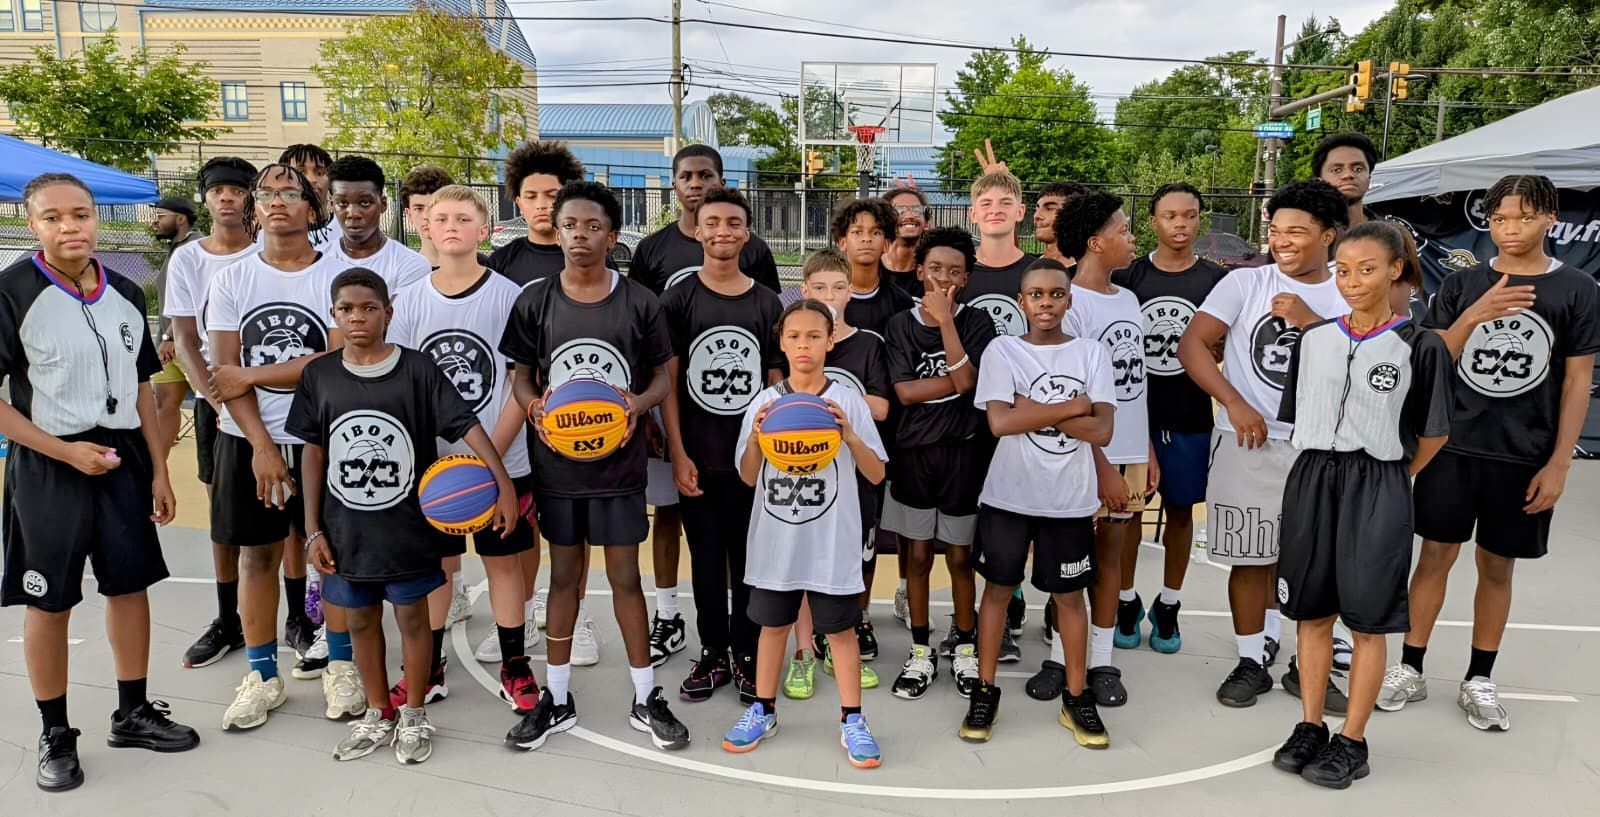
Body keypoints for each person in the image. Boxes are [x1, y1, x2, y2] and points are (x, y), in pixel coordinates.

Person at [0, 173, 200, 792]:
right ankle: (55, 732)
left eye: (81, 214)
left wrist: (160, 468)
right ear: (33, 223)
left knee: (130, 584)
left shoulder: (123, 288)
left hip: (122, 460)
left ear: (97, 218)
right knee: (50, 600)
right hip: (48, 463)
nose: (71, 227)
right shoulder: (12, 292)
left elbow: (144, 386)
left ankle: (132, 710)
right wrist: (63, 451)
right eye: (54, 217)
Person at [1380, 175, 1600, 731]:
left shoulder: (1576, 289)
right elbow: (1431, 357)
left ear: (1550, 218)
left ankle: (1479, 676)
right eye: (1500, 218)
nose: (1509, 229)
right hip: (1453, 445)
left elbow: (1577, 382)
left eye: (1523, 218)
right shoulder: (1462, 284)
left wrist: (1559, 462)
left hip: (1523, 453)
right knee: (1434, 555)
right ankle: (1411, 666)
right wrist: (1476, 313)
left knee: (1497, 566)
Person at [289, 267, 518, 765]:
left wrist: (500, 482)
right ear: (334, 315)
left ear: (388, 313)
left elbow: (465, 426)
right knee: (360, 621)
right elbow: (312, 452)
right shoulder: (319, 375)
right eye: (346, 309)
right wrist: (312, 530)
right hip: (346, 527)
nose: (357, 318)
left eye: (368, 308)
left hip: (409, 524)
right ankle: (378, 711)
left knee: (414, 620)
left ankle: (413, 711)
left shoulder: (417, 370)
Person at [500, 181, 690, 753]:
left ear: (612, 236)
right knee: (562, 579)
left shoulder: (639, 302)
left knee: (626, 578)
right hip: (558, 467)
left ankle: (644, 695)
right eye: (570, 226)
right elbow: (521, 373)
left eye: (592, 227)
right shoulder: (535, 299)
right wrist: (535, 406)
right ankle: (556, 697)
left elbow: (663, 375)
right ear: (555, 231)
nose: (580, 236)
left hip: (620, 467)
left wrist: (635, 403)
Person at [1270, 221, 1452, 789]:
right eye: (1344, 271)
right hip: (1312, 479)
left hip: (1379, 481)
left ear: (1396, 269)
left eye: (1366, 269)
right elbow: (1300, 415)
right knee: (1311, 612)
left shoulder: (1421, 346)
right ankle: (1309, 726)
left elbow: (1434, 434)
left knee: (1369, 621)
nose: (1352, 282)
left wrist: (1394, 476)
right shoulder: (1315, 338)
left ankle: (1352, 738)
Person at [1178, 180, 1351, 709]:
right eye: (1276, 231)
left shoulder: (1351, 289)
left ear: (1329, 234)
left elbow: (1374, 359)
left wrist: (1312, 323)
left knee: (1317, 563)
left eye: (1297, 231)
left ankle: (1307, 662)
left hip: (1323, 448)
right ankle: (1251, 659)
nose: (1283, 241)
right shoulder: (1246, 284)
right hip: (1247, 442)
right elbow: (1192, 346)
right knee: (1250, 559)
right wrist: (1233, 401)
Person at [388, 185, 544, 715]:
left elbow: (521, 385)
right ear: (424, 229)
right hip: (433, 468)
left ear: (485, 230)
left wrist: (490, 463)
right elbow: (404, 387)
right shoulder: (407, 302)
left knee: (503, 567)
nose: (451, 225)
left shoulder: (510, 297)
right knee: (436, 567)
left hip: (504, 461)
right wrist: (432, 464)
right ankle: (428, 668)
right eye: (441, 218)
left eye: (463, 217)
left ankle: (514, 664)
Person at [720, 298, 888, 769]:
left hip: (831, 543)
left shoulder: (847, 399)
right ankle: (763, 710)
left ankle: (853, 719)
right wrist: (755, 438)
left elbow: (876, 475)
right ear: (781, 342)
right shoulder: (766, 402)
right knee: (772, 628)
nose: (803, 345)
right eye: (794, 336)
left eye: (814, 335)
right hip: (777, 542)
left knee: (841, 633)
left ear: (831, 341)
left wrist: (851, 436)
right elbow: (749, 477)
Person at [206, 163, 346, 730]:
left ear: (313, 209)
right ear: (253, 208)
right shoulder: (232, 280)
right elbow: (223, 373)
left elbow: (335, 362)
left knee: (332, 555)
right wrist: (261, 444)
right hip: (248, 439)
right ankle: (263, 675)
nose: (278, 201)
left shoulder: (337, 276)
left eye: (292, 192)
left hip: (320, 439)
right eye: (267, 193)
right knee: (257, 557)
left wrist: (257, 376)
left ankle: (341, 665)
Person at [961, 257, 1114, 747]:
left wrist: (1033, 410)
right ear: (1021, 301)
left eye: (1056, 294)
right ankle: (985, 691)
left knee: (1069, 598)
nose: (1046, 303)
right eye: (1036, 295)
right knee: (998, 593)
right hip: (1009, 495)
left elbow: (1103, 429)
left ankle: (1075, 696)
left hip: (1069, 500)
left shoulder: (1092, 353)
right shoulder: (1003, 351)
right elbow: (1000, 423)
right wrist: (1074, 406)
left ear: (1069, 299)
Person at [659, 186, 783, 702]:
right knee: (706, 561)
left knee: (751, 562)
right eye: (713, 223)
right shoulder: (679, 299)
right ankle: (712, 653)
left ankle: (748, 654)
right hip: (700, 457)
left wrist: (777, 450)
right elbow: (667, 379)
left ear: (746, 233)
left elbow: (777, 381)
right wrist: (679, 451)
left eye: (733, 223)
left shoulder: (766, 300)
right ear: (698, 231)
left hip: (752, 460)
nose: (723, 232)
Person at [1108, 183, 1227, 655]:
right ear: (1153, 222)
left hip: (1190, 415)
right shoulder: (1129, 277)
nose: (1180, 224)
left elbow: (1225, 343)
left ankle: (1170, 604)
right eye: (1170, 216)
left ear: (1200, 219)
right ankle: (1126, 599)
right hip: (1134, 417)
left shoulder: (1217, 280)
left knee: (1180, 511)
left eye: (1190, 215)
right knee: (1129, 513)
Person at [881, 226, 998, 700]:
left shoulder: (977, 322)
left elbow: (972, 382)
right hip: (914, 456)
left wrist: (947, 323)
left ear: (966, 277)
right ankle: (921, 651)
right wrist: (955, 380)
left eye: (954, 272)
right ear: (918, 270)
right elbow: (905, 391)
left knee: (960, 557)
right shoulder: (898, 325)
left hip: (963, 454)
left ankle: (965, 649)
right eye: (935, 270)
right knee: (918, 556)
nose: (943, 279)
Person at [1053, 192, 1153, 708]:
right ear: (1096, 242)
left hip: (1130, 450)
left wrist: (1146, 451)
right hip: (1087, 455)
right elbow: (1071, 401)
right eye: (1124, 230)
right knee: (1069, 556)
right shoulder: (1070, 305)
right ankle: (1057, 654)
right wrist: (1103, 465)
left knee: (1112, 556)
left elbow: (1137, 387)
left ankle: (1102, 658)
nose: (1132, 238)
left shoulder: (1129, 299)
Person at [166, 157, 261, 670]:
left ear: (251, 198)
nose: (227, 198)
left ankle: (297, 614)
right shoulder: (189, 260)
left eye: (237, 190)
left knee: (286, 516)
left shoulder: (271, 253)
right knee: (223, 518)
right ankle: (229, 618)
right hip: (217, 404)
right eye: (218, 190)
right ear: (204, 198)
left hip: (274, 400)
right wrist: (214, 393)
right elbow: (185, 336)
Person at [796, 247, 892, 699]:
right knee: (802, 562)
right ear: (805, 291)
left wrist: (832, 398)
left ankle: (848, 632)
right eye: (819, 289)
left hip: (855, 472)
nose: (830, 297)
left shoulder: (868, 343)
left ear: (851, 290)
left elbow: (882, 406)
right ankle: (803, 649)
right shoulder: (800, 341)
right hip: (806, 474)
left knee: (855, 561)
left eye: (838, 288)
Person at [630, 144, 782, 295]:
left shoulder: (754, 248)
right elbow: (638, 311)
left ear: (722, 183)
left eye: (706, 175)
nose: (695, 184)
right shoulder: (650, 249)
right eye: (685, 177)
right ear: (674, 186)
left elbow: (769, 312)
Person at [488, 141, 590, 287]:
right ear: (519, 203)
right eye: (531, 196)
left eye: (552, 195)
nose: (541, 205)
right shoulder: (500, 262)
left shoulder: (592, 258)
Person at [326, 156, 432, 294]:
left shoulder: (411, 265)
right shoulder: (318, 261)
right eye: (343, 203)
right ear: (332, 205)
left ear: (383, 204)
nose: (353, 213)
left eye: (364, 203)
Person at [150, 196, 204, 452]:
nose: (154, 223)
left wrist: (169, 337)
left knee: (210, 407)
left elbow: (196, 297)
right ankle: (156, 471)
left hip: (188, 343)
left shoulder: (198, 247)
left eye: (161, 216)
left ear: (180, 218)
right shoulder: (177, 248)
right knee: (164, 403)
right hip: (168, 344)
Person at [958, 170, 1038, 338]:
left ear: (1020, 211)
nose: (995, 210)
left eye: (1005, 203)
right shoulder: (957, 272)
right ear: (972, 214)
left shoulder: (1037, 272)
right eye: (986, 203)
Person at [838, 197, 916, 336]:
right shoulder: (828, 298)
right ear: (843, 242)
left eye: (876, 233)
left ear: (886, 245)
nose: (866, 238)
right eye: (857, 232)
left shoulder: (901, 302)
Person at [398, 165, 493, 269]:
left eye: (433, 207)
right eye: (419, 208)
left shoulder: (489, 267)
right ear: (409, 214)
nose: (426, 216)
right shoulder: (404, 272)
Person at [277, 144, 342, 250]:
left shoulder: (346, 232)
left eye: (320, 173)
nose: (311, 179)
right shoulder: (270, 236)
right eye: (300, 172)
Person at [1312, 133, 1379, 230]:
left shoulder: (1391, 235)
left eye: (1358, 169)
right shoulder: (1303, 235)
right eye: (1337, 170)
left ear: (1369, 177)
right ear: (1320, 181)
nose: (1348, 175)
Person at [881, 186, 931, 297]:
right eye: (899, 210)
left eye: (917, 210)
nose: (910, 215)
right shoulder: (870, 269)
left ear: (926, 223)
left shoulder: (932, 273)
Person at [1033, 182, 1086, 266]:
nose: (1037, 216)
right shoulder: (1025, 267)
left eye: (1049, 209)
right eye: (1037, 209)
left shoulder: (1089, 275)